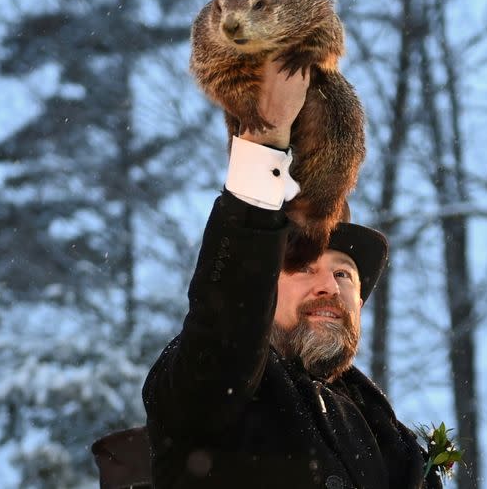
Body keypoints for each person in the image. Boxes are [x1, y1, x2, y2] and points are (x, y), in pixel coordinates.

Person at [93, 61, 442, 489]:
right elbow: (227, 322)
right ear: (260, 287)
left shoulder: (387, 435)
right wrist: (264, 141)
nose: (329, 286)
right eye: (302, 267)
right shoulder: (212, 383)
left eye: (344, 274)